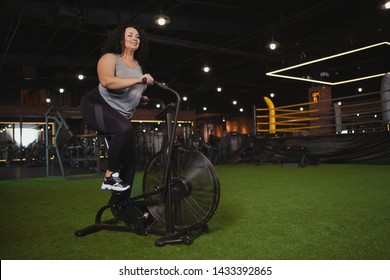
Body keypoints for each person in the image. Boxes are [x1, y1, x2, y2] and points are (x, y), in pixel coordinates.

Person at [80, 24, 154, 192]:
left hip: (121, 115)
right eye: (130, 35)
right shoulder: (110, 58)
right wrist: (139, 81)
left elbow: (128, 88)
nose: (135, 38)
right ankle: (108, 177)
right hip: (96, 105)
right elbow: (107, 81)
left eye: (137, 36)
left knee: (130, 161)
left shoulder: (139, 68)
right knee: (123, 128)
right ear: (121, 39)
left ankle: (122, 205)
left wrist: (139, 97)